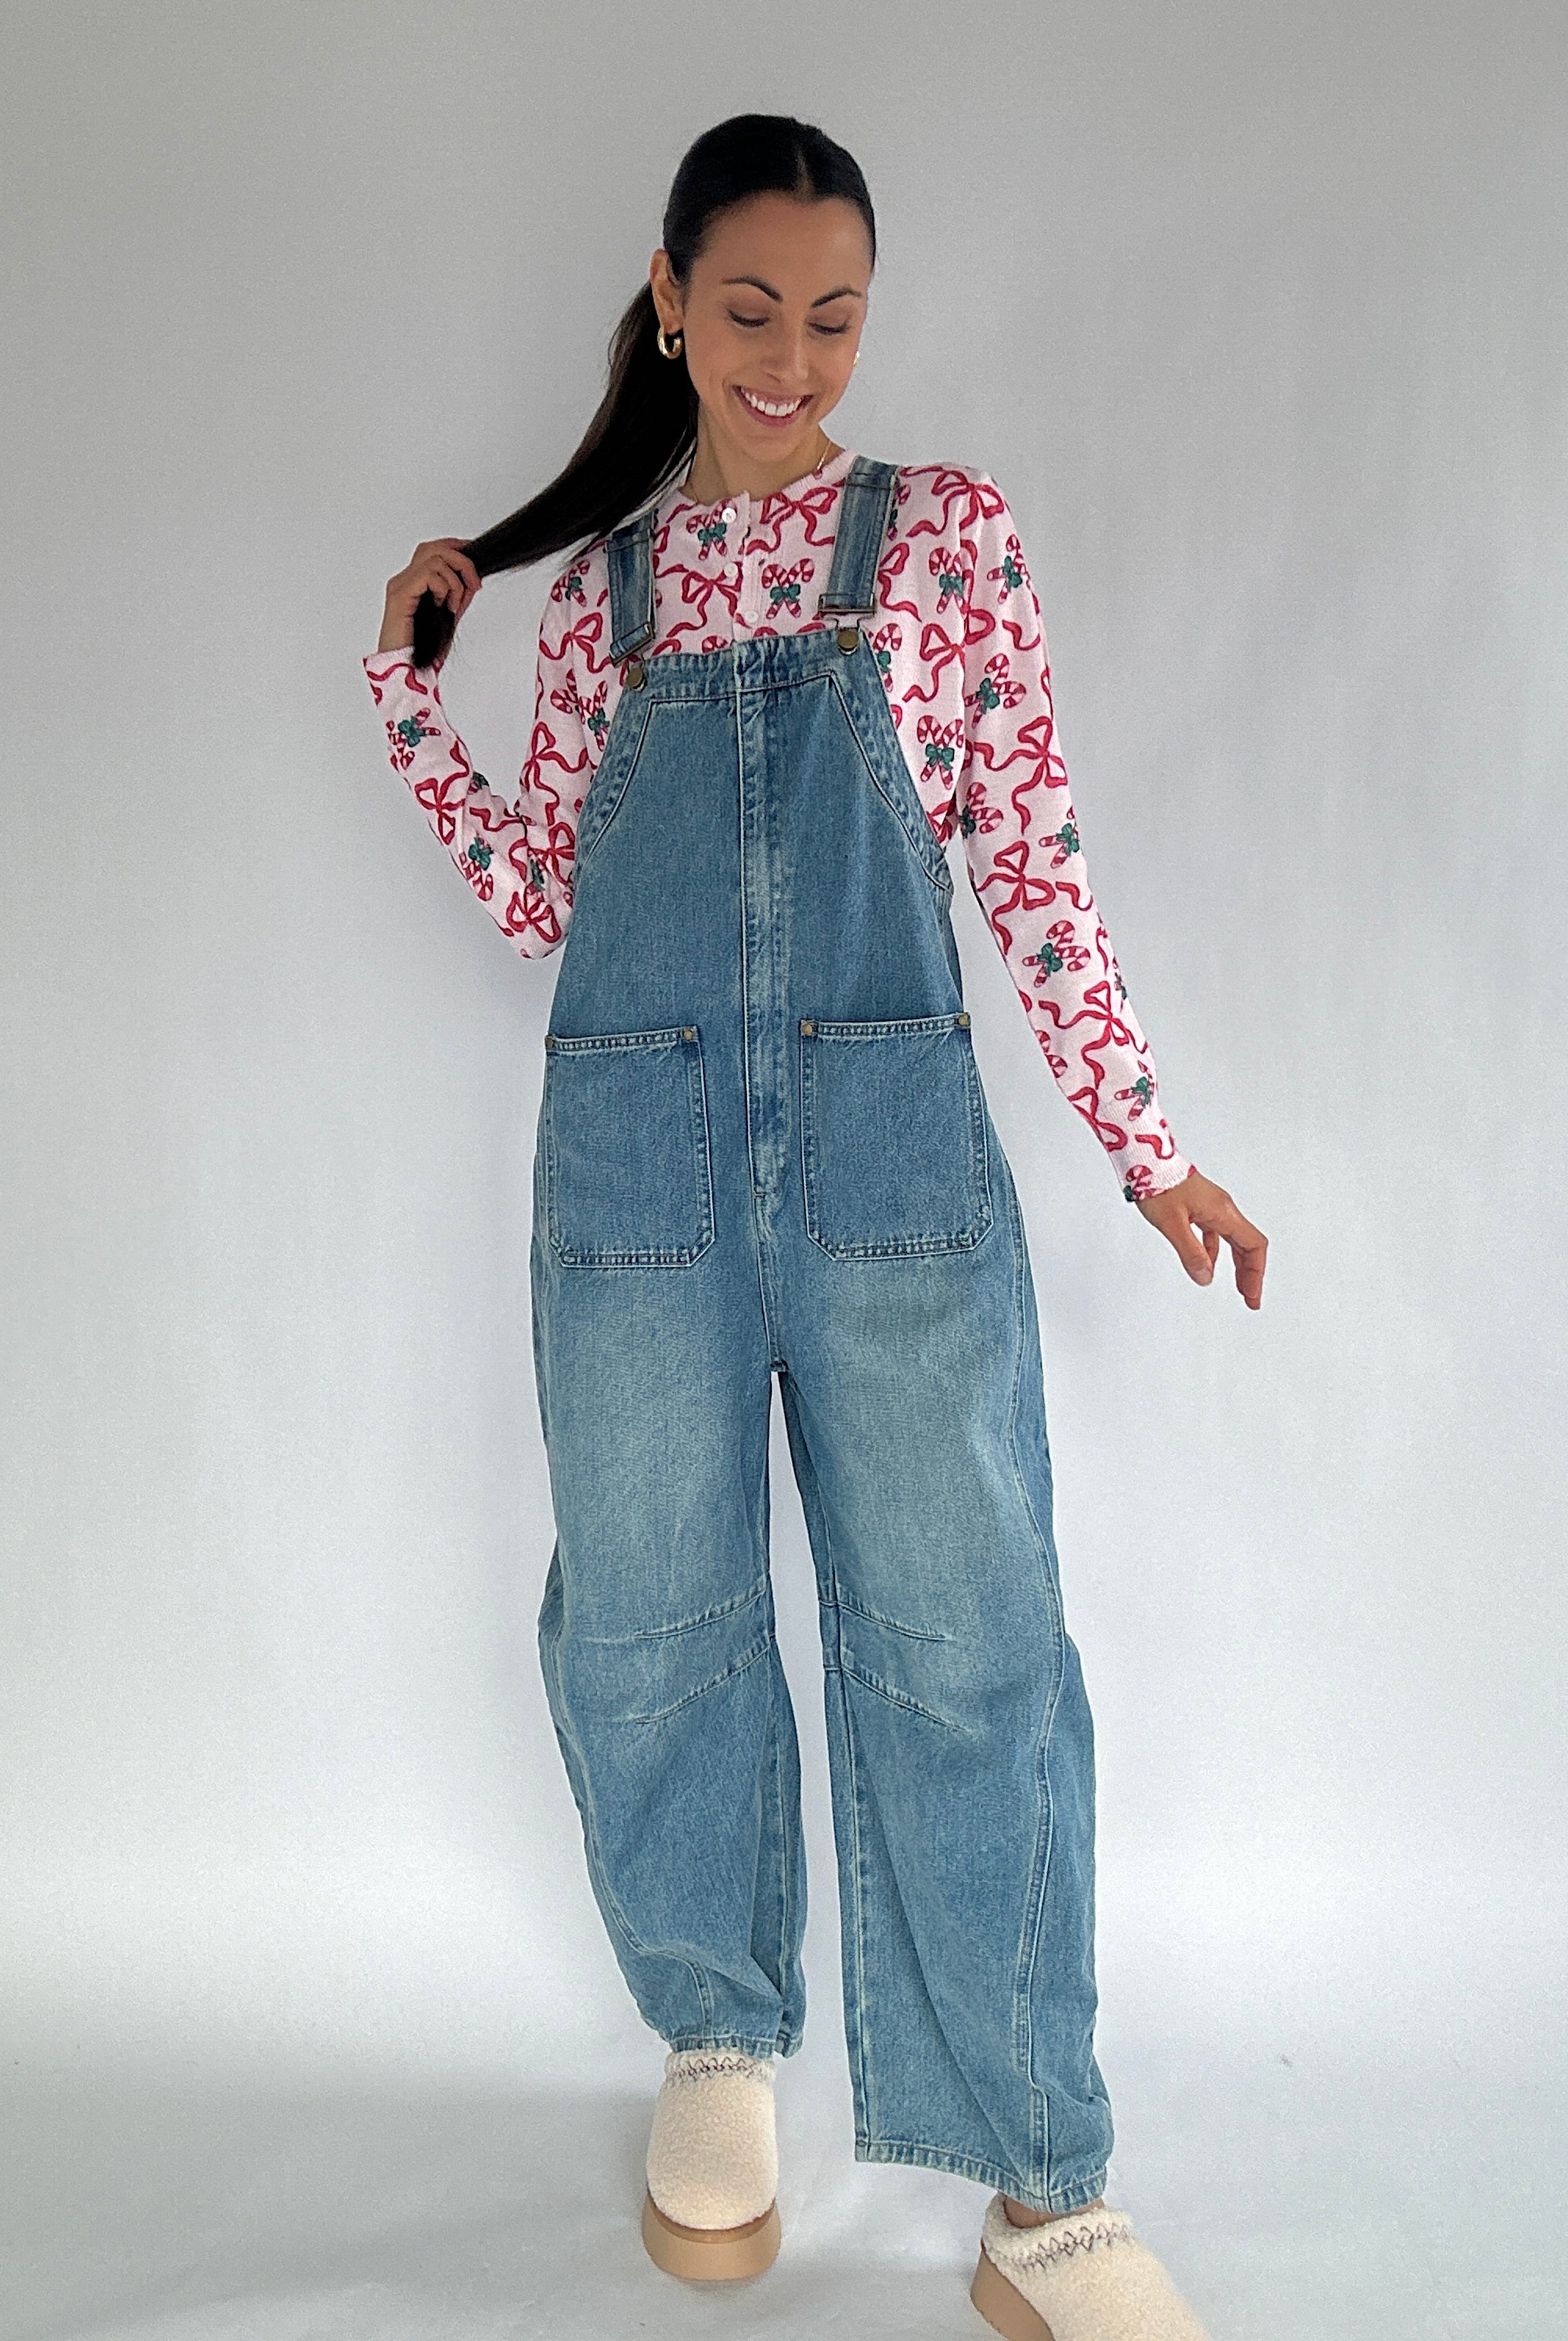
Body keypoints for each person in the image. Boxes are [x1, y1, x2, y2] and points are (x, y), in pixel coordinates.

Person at [365, 111, 1265, 2341]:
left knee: (973, 1639)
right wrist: (412, 695)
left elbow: (1035, 865)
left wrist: (1145, 1142)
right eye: (748, 310)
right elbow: (551, 901)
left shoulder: (945, 539)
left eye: (836, 315)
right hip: (630, 1172)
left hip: (895, 1166)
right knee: (649, 1620)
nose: (793, 358)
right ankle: (720, 2034)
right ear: (670, 301)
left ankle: (1044, 2178)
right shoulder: (605, 603)